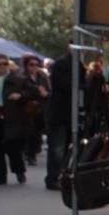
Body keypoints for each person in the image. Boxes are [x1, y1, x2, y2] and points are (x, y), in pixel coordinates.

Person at [0, 54, 32, 184]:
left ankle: (19, 171)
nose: (2, 66)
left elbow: (33, 92)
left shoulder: (18, 79)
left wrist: (20, 95)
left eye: (5, 64)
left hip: (11, 119)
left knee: (12, 148)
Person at [45, 49, 74, 190]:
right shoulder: (62, 64)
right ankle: (54, 178)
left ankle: (60, 176)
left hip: (68, 114)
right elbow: (65, 86)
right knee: (58, 149)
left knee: (65, 148)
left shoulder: (75, 63)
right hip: (60, 114)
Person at [20, 55, 51, 165]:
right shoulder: (22, 77)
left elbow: (48, 90)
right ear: (26, 65)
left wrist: (45, 94)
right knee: (28, 132)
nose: (34, 67)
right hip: (26, 108)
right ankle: (28, 153)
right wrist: (37, 90)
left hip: (40, 108)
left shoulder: (42, 76)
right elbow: (20, 91)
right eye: (31, 65)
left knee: (37, 132)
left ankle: (33, 152)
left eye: (36, 65)